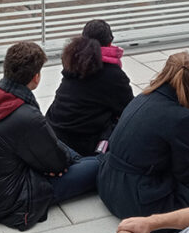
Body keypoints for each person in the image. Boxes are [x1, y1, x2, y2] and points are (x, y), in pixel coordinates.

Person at [0, 41, 100, 231]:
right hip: (10, 200)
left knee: (67, 153)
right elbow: (57, 162)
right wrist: (60, 165)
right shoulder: (26, 115)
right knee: (98, 165)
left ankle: (79, 162)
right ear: (36, 77)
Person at [97, 51, 189, 219]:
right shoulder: (182, 117)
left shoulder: (142, 97)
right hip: (136, 200)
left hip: (108, 183)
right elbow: (184, 173)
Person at [45, 19, 134, 156]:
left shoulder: (73, 62)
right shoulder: (113, 74)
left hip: (53, 132)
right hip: (80, 143)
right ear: (110, 42)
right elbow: (129, 109)